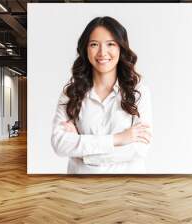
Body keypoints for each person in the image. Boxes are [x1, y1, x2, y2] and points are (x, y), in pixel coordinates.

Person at [51, 16, 152, 174]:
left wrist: (84, 152)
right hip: (81, 191)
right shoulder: (71, 93)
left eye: (110, 44)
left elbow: (139, 149)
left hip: (128, 189)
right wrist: (119, 138)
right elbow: (60, 144)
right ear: (86, 49)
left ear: (121, 48)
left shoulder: (138, 92)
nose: (102, 52)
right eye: (94, 45)